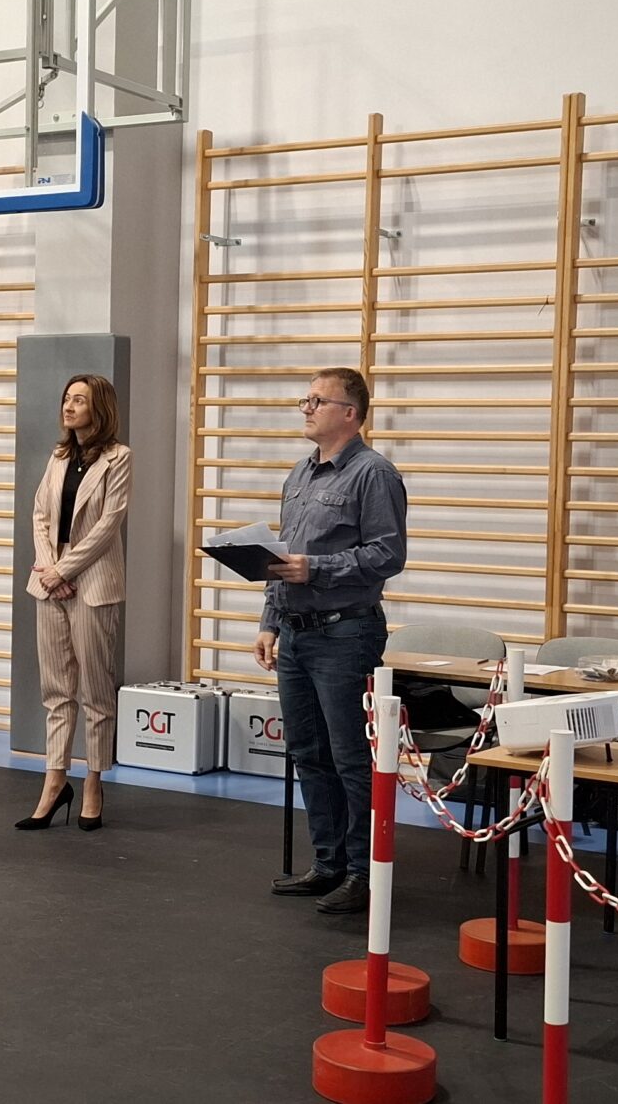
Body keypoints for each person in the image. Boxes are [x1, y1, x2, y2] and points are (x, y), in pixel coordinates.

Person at [256, 367, 408, 914]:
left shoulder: (374, 474)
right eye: (305, 399)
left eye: (317, 400)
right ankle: (328, 864)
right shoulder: (300, 473)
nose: (306, 408)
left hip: (346, 631)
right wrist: (269, 620)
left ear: (350, 413)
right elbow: (284, 557)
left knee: (349, 758)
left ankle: (364, 873)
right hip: (296, 633)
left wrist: (315, 568)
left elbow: (388, 554)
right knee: (308, 754)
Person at [19, 374, 132, 831]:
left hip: (93, 582)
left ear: (98, 408)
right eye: (67, 398)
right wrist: (50, 569)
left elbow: (109, 524)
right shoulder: (59, 455)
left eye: (79, 400)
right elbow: (40, 514)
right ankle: (54, 782)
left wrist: (65, 570)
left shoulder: (119, 458)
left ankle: (93, 782)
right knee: (56, 690)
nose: (69, 406)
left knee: (96, 691)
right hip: (49, 582)